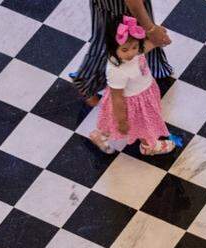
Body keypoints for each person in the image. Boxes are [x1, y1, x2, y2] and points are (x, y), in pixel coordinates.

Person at [89, 16, 175, 156]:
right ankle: (149, 146)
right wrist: (122, 121)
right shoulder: (116, 70)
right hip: (131, 102)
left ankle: (101, 134)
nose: (131, 53)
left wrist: (158, 39)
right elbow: (117, 99)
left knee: (111, 119)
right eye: (125, 49)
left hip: (143, 91)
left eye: (134, 47)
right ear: (112, 48)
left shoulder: (132, 51)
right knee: (143, 124)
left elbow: (143, 48)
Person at [73, 0, 171, 106]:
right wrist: (151, 29)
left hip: (124, 7)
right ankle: (87, 83)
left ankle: (150, 68)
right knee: (112, 44)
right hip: (119, 8)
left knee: (129, 40)